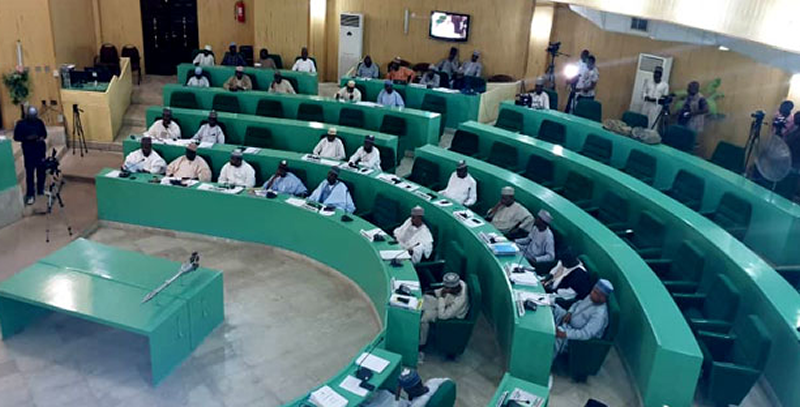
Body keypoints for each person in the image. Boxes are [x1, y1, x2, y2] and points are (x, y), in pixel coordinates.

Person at [552, 279, 613, 358]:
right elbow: (577, 303)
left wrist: (564, 334)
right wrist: (569, 312)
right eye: (593, 291)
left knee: (554, 338)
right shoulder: (592, 297)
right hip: (568, 321)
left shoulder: (600, 315)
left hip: (574, 338)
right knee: (553, 307)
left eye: (597, 294)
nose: (592, 294)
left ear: (603, 298)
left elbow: (585, 334)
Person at [419, 272, 469, 346]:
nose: (444, 288)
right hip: (448, 300)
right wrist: (433, 292)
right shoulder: (461, 283)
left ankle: (422, 342)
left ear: (451, 289)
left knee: (425, 316)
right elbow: (442, 290)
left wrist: (441, 298)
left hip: (453, 314)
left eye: (446, 288)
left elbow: (442, 316)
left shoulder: (460, 301)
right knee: (425, 298)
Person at [363, 368, 450, 407]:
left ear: (411, 390)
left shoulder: (418, 404)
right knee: (385, 394)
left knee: (384, 395)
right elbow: (448, 381)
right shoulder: (433, 383)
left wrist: (397, 394)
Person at [14, 106, 47, 205]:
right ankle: (30, 194)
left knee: (41, 171)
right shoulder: (21, 124)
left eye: (35, 116)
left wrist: (40, 138)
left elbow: (44, 134)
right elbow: (16, 137)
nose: (34, 118)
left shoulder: (39, 122)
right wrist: (27, 138)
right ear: (27, 115)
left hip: (40, 150)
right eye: (32, 116)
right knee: (30, 174)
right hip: (29, 152)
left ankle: (40, 189)